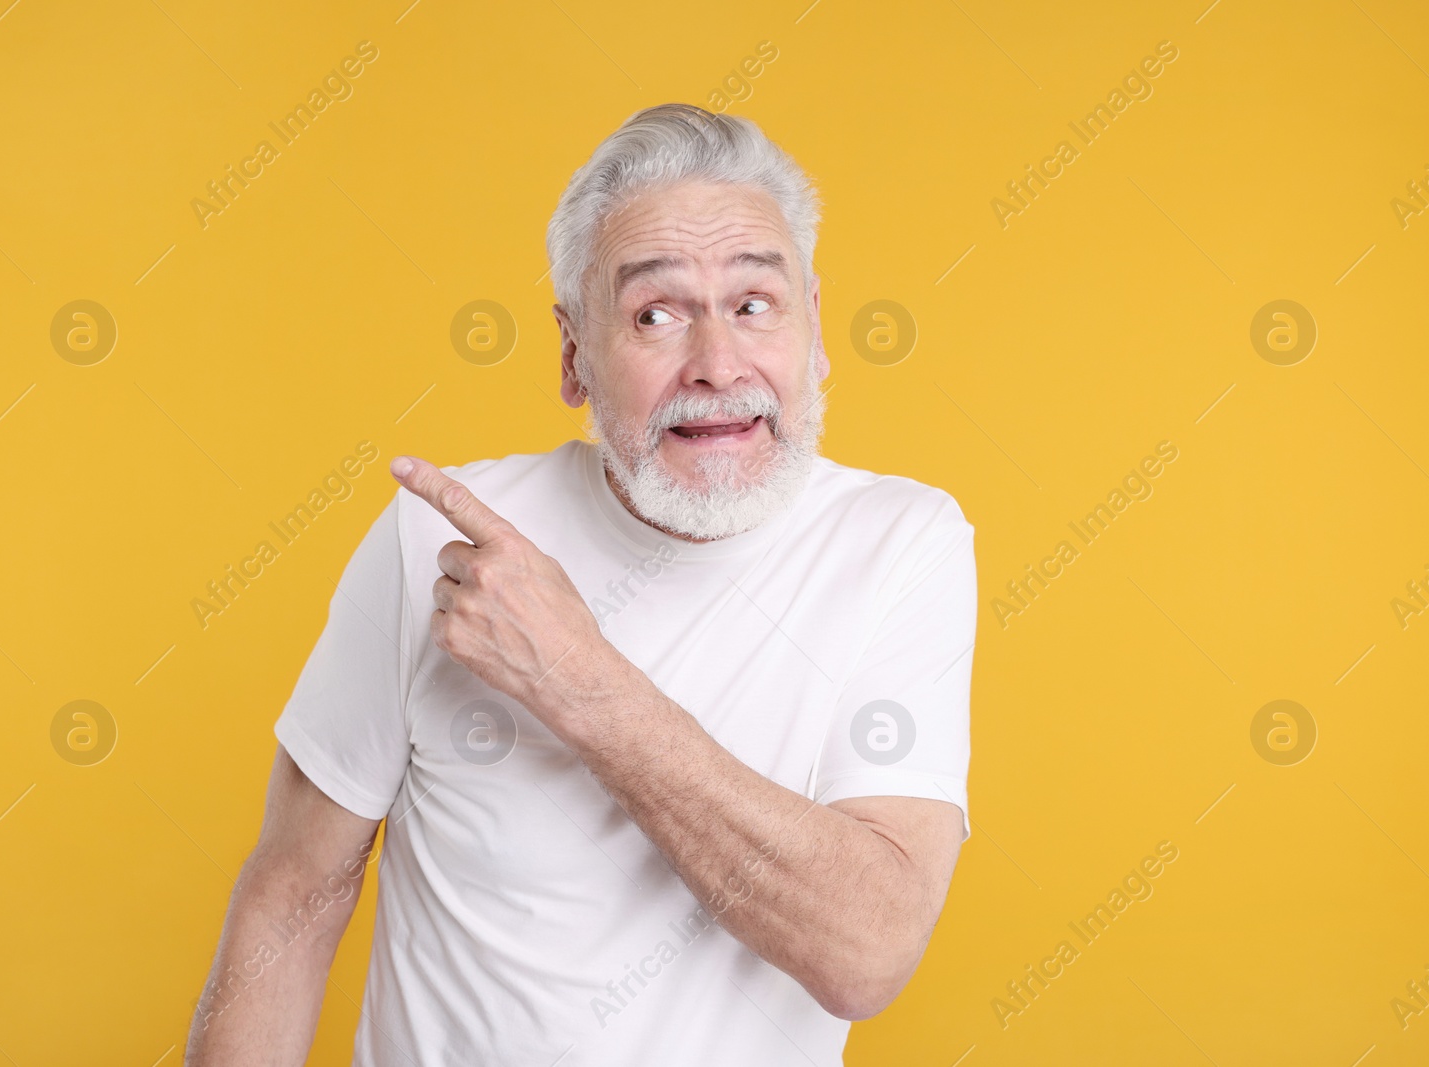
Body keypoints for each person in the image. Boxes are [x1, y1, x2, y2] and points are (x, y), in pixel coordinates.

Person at [186, 102, 977, 1066]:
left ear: (813, 327)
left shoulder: (901, 543)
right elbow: (292, 897)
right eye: (655, 314)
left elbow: (867, 951)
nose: (718, 363)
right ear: (573, 354)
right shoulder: (443, 536)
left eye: (754, 304)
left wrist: (575, 675)